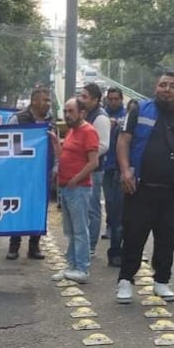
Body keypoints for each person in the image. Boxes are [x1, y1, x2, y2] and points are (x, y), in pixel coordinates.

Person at [114, 72, 174, 304]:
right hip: (141, 188)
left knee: (168, 238)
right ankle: (125, 281)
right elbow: (123, 141)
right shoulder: (139, 109)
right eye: (162, 85)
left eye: (172, 86)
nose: (166, 89)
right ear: (155, 88)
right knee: (133, 236)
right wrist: (126, 170)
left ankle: (162, 281)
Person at [49, 97, 99, 284]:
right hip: (67, 187)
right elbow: (63, 156)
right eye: (66, 111)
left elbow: (93, 162)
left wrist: (75, 179)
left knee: (80, 230)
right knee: (70, 230)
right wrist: (56, 143)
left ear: (82, 113)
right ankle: (71, 265)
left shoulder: (88, 132)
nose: (67, 115)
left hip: (78, 188)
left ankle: (82, 268)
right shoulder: (72, 131)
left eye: (71, 111)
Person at [5, 87, 55, 260]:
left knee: (38, 209)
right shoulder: (18, 119)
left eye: (49, 101)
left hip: (41, 174)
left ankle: (34, 246)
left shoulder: (51, 121)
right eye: (44, 100)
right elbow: (7, 142)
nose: (48, 104)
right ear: (34, 101)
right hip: (20, 173)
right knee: (18, 208)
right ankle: (14, 246)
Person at [78, 82, 110, 255]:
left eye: (85, 97)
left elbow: (103, 145)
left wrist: (84, 154)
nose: (81, 100)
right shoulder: (86, 115)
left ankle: (90, 245)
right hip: (83, 168)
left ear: (95, 100)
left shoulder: (100, 118)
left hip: (94, 170)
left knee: (92, 208)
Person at [101, 87, 127, 267]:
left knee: (118, 205)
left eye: (116, 99)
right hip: (105, 165)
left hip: (119, 167)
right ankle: (110, 223)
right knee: (109, 200)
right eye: (110, 99)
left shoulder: (127, 116)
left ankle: (119, 247)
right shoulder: (102, 116)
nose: (113, 102)